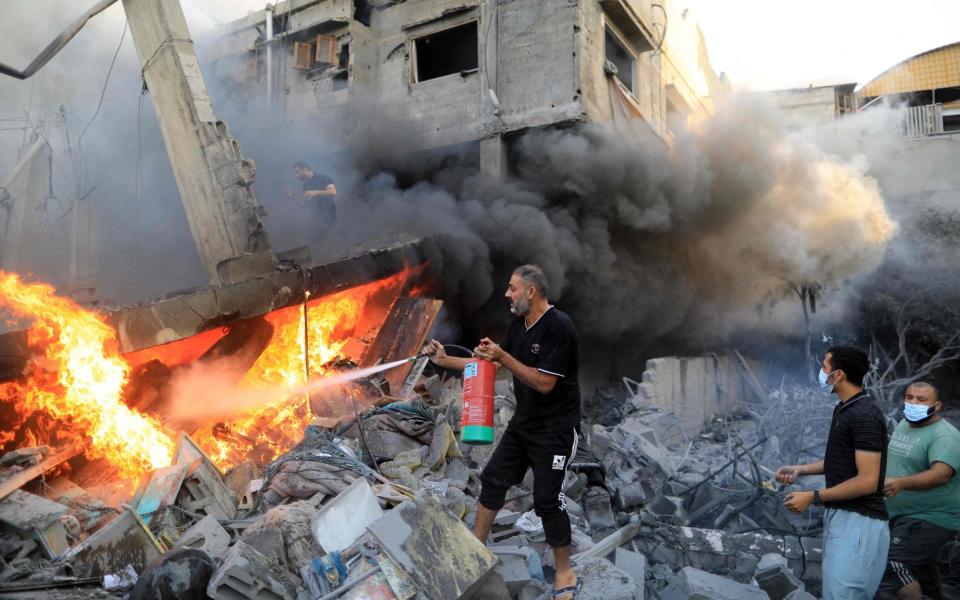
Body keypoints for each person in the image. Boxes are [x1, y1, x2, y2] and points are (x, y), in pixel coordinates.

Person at [423, 265, 583, 600]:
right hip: (523, 425)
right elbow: (490, 368)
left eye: (512, 288)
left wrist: (503, 355)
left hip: (555, 431)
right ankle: (475, 550)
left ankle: (565, 572)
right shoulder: (518, 325)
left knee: (547, 499)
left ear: (531, 292)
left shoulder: (559, 328)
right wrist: (444, 359)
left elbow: (543, 383)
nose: (507, 294)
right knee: (493, 479)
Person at [775, 345, 889, 600]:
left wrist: (813, 496)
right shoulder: (845, 408)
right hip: (844, 517)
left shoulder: (864, 415)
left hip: (860, 521)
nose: (820, 372)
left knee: (842, 596)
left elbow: (868, 481)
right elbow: (839, 460)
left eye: (824, 367)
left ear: (838, 375)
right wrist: (800, 469)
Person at [877, 381, 960, 600]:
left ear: (938, 405)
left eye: (921, 400)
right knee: (922, 571)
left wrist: (901, 483)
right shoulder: (905, 424)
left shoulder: (945, 436)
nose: (913, 403)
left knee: (893, 563)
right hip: (903, 515)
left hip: (929, 517)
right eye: (910, 397)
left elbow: (941, 474)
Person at [289, 161, 337, 239]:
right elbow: (306, 205)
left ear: (305, 168)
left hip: (328, 217)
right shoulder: (305, 185)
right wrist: (293, 197)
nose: (296, 176)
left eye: (297, 172)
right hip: (317, 220)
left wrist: (315, 192)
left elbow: (333, 192)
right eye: (295, 173)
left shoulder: (322, 178)